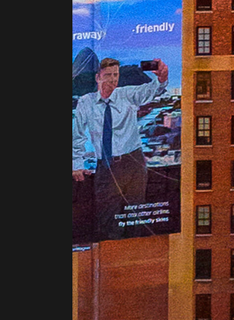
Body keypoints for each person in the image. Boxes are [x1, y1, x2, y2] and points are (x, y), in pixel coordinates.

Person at [72, 56, 174, 241]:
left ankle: (132, 257)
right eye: (108, 75)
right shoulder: (86, 103)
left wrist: (161, 79)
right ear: (98, 77)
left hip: (133, 164)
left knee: (134, 219)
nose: (112, 79)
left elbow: (150, 91)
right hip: (107, 166)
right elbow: (78, 135)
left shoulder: (126, 95)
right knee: (107, 222)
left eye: (116, 75)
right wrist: (77, 164)